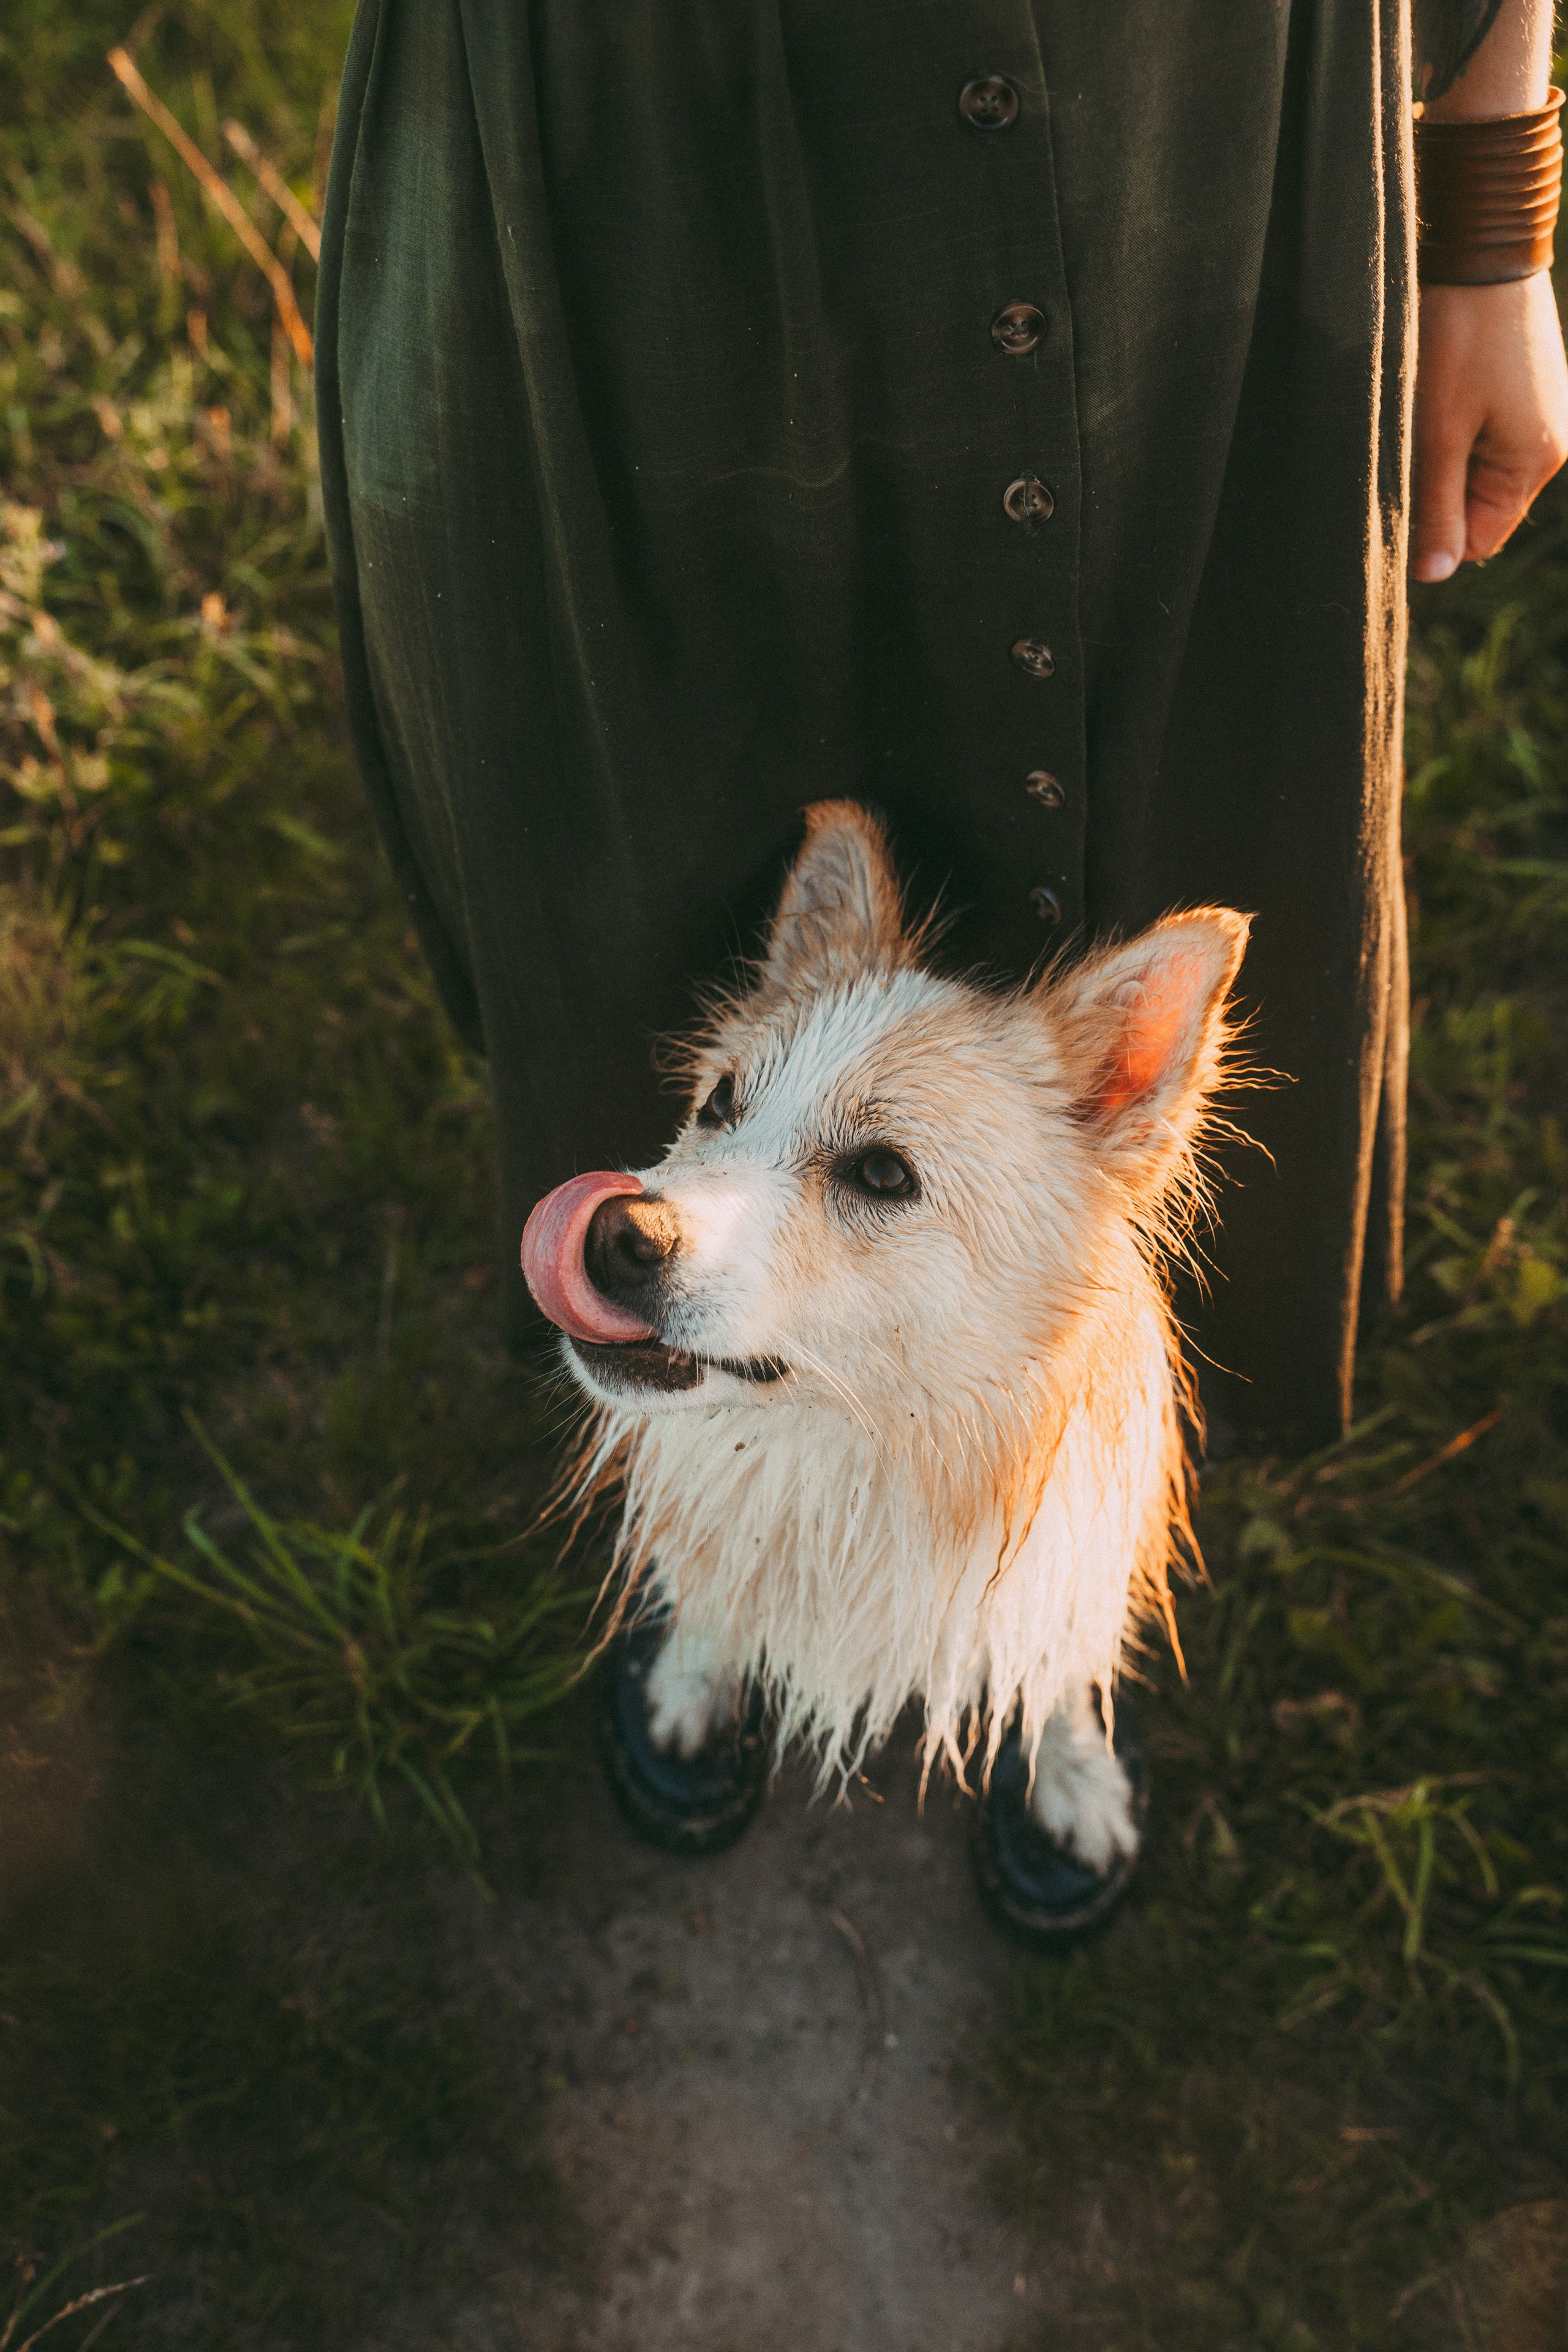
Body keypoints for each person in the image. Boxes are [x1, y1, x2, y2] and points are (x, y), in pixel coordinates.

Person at [317, 0, 1567, 1450]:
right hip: (643, 119)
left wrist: (1490, 185)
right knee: (639, 775)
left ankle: (1057, 1497)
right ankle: (696, 1463)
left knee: (1190, 752)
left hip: (1191, 89)